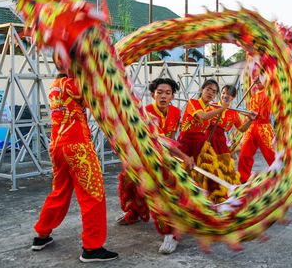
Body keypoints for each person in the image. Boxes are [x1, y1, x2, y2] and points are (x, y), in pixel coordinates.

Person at [32, 65, 118, 262]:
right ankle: (92, 247)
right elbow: (98, 103)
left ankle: (41, 235)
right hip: (78, 146)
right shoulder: (72, 84)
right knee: (92, 194)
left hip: (57, 145)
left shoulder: (55, 85)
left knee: (59, 191)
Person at [116, 78, 193, 254]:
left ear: (173, 96)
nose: (163, 96)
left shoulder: (175, 112)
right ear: (152, 95)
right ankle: (134, 213)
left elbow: (170, 139)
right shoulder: (145, 113)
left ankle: (171, 233)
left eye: (167, 93)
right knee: (131, 187)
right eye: (159, 93)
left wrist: (181, 156)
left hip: (163, 160)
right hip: (143, 158)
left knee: (163, 195)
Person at [199, 85, 256, 202]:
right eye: (223, 93)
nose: (225, 96)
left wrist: (250, 120)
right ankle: (205, 194)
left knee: (225, 168)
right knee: (206, 167)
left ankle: (222, 193)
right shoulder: (211, 106)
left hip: (220, 142)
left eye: (228, 95)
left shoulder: (234, 113)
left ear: (233, 97)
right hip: (206, 139)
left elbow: (241, 129)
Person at [237, 76, 276, 183]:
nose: (257, 80)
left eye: (261, 78)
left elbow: (255, 113)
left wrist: (238, 110)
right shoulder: (253, 95)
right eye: (256, 78)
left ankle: (283, 179)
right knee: (244, 154)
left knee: (271, 155)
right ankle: (243, 179)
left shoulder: (270, 92)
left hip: (264, 127)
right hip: (251, 126)